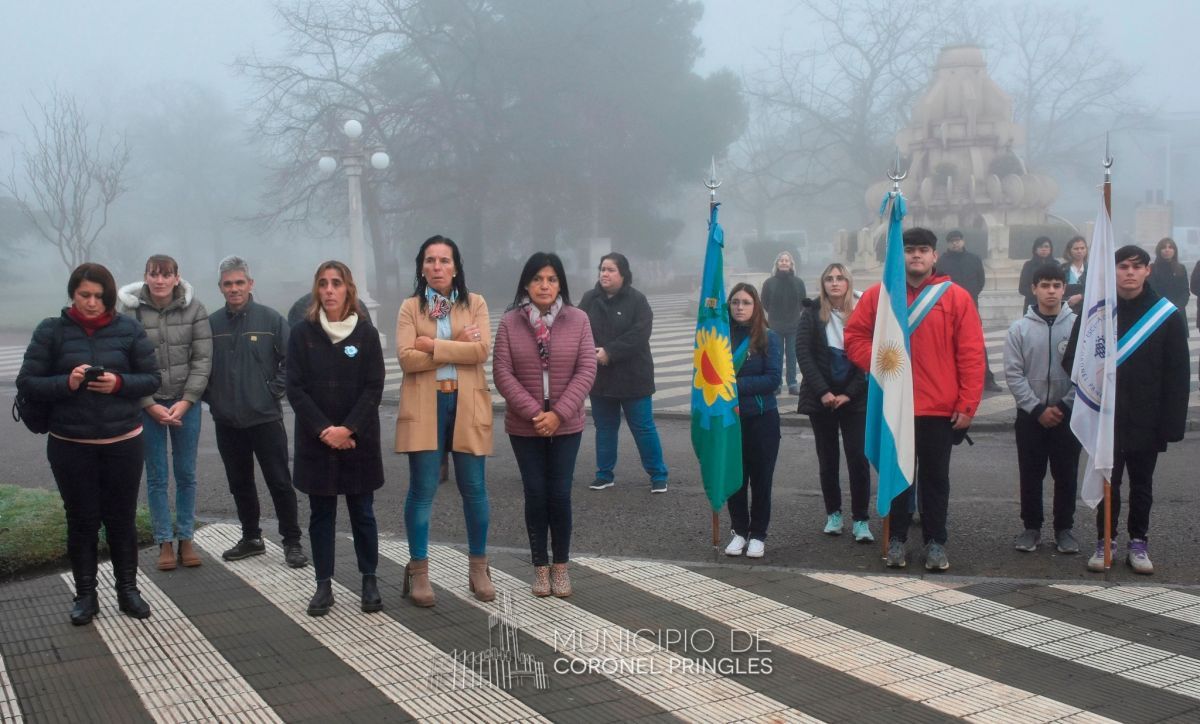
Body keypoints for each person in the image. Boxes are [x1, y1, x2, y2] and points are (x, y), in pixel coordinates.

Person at [17, 263, 161, 624]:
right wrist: (67, 382)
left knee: (121, 519)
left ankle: (128, 591)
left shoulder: (129, 329)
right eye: (85, 295)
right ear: (73, 294)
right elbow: (27, 382)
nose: (92, 302)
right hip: (70, 444)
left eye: (99, 296)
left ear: (109, 297)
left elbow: (151, 379)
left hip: (123, 442)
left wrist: (119, 383)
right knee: (81, 520)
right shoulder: (51, 331)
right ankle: (85, 595)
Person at [845, 227, 986, 571]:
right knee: (896, 478)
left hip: (938, 408)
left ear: (934, 256)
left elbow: (971, 354)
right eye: (909, 250)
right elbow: (855, 337)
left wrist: (967, 404)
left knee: (936, 480)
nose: (916, 255)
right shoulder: (880, 296)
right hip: (895, 406)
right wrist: (881, 365)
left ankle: (936, 541)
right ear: (899, 255)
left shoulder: (956, 298)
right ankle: (896, 538)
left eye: (923, 250)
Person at [1065, 245, 1190, 574]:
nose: (1130, 273)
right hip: (1107, 416)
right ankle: (1105, 540)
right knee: (1109, 480)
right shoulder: (1097, 313)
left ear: (1148, 270)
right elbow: (1073, 360)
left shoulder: (1166, 315)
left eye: (1137, 266)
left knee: (1142, 484)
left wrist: (1172, 424)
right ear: (1113, 271)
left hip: (1148, 417)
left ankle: (1139, 542)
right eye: (1123, 266)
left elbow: (1178, 374)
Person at [394, 235, 495, 607]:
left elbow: (481, 350)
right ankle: (419, 571)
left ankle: (479, 567)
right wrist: (457, 342)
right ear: (421, 267)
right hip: (425, 403)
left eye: (444, 260)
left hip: (467, 402)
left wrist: (433, 344)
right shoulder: (410, 307)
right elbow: (407, 359)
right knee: (423, 490)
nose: (437, 267)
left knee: (474, 488)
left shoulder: (475, 303)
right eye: (430, 260)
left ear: (456, 267)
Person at [493, 252, 596, 597]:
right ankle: (540, 567)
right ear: (526, 283)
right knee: (536, 494)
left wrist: (558, 414)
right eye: (537, 279)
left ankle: (561, 566)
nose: (544, 286)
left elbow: (587, 370)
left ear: (560, 284)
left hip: (567, 424)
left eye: (551, 279)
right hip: (526, 426)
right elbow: (502, 373)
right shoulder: (510, 322)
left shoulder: (579, 320)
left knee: (560, 494)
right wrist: (536, 413)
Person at [287, 261, 385, 616]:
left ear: (348, 289)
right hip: (317, 441)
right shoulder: (302, 333)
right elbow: (295, 388)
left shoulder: (366, 333)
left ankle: (369, 580)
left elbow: (374, 387)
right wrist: (325, 431)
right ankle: (323, 584)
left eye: (336, 283)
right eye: (324, 283)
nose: (329, 290)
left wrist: (348, 429)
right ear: (317, 289)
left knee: (363, 513)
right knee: (321, 515)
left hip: (358, 440)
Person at [205, 256, 307, 568]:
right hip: (227, 421)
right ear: (220, 287)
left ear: (250, 284)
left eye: (239, 282)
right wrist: (214, 398)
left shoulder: (271, 319)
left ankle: (292, 541)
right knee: (240, 483)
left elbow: (293, 361)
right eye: (228, 284)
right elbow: (201, 366)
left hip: (265, 418)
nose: (234, 288)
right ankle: (251, 538)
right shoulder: (211, 325)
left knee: (279, 481)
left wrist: (271, 391)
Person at [116, 255, 212, 572]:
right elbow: (125, 361)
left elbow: (202, 360)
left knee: (186, 474)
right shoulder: (129, 312)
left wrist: (187, 400)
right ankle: (164, 541)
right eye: (154, 274)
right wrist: (149, 404)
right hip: (148, 406)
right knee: (156, 476)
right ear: (145, 276)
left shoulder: (195, 309)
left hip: (186, 403)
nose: (160, 280)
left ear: (176, 277)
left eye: (166, 274)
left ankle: (186, 537)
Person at [1003, 264, 1080, 554]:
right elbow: (1013, 373)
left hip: (1067, 415)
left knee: (1066, 474)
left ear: (1064, 289)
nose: (1051, 291)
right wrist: (1036, 409)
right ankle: (1031, 527)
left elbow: (1084, 373)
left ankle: (1064, 529)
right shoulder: (1019, 329)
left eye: (1057, 286)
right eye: (1045, 285)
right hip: (1030, 417)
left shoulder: (1077, 327)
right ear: (1034, 288)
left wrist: (1064, 405)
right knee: (1031, 474)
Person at [577, 252, 669, 493]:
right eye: (602, 269)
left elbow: (640, 334)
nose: (604, 274)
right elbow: (577, 329)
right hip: (601, 378)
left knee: (643, 428)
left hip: (634, 378)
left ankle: (658, 475)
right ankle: (604, 474)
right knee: (605, 428)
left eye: (610, 270)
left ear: (623, 274)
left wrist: (610, 351)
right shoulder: (589, 299)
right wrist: (592, 352)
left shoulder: (637, 300)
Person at [795, 264, 872, 542]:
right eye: (829, 278)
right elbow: (803, 353)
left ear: (848, 282)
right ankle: (834, 514)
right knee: (828, 460)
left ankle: (861, 519)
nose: (835, 283)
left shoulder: (863, 311)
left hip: (855, 396)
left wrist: (849, 393)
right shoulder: (812, 312)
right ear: (823, 283)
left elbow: (869, 356)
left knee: (858, 459)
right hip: (822, 397)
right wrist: (823, 392)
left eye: (840, 278)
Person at [722, 283, 782, 559]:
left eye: (746, 302)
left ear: (756, 306)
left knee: (761, 480)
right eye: (735, 302)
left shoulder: (769, 337)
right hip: (730, 420)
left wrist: (733, 385)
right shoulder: (720, 338)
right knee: (734, 479)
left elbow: (772, 379)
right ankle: (739, 531)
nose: (740, 307)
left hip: (762, 420)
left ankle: (758, 534)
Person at [939, 230, 1000, 391]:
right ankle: (953, 379)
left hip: (971, 306)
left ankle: (987, 379)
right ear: (948, 243)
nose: (955, 243)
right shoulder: (941, 262)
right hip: (949, 309)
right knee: (949, 344)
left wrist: (970, 296)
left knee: (978, 343)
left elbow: (980, 281)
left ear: (963, 241)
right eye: (952, 241)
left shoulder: (974, 259)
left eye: (958, 240)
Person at [760, 251, 806, 395]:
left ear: (791, 264)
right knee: (776, 355)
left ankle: (792, 383)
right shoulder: (769, 283)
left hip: (793, 324)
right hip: (775, 325)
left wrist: (794, 313)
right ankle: (777, 384)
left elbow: (803, 301)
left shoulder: (799, 282)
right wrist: (775, 314)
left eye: (787, 260)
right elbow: (765, 302)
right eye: (781, 260)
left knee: (792, 355)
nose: (784, 263)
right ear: (777, 264)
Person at [1149, 237, 1191, 330]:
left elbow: (1185, 291)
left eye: (1170, 247)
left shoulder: (1181, 268)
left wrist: (1178, 306)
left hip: (1178, 311)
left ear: (1175, 250)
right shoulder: (1153, 268)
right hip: (1159, 312)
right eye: (1164, 247)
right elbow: (1152, 291)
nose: (1167, 250)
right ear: (1159, 251)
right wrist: (1165, 307)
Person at [1017, 236, 1056, 311]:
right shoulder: (1028, 265)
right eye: (1040, 247)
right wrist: (1040, 294)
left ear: (1050, 249)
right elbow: (1022, 288)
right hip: (1033, 304)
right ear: (1035, 249)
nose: (1044, 249)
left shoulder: (1056, 265)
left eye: (1046, 247)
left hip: (1052, 305)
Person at [1061, 235, 1088, 310]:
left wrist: (1081, 296)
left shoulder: (1091, 270)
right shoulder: (1062, 269)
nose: (1079, 251)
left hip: (1086, 310)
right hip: (1066, 309)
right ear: (1069, 250)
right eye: (1076, 249)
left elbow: (1097, 291)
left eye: (1082, 248)